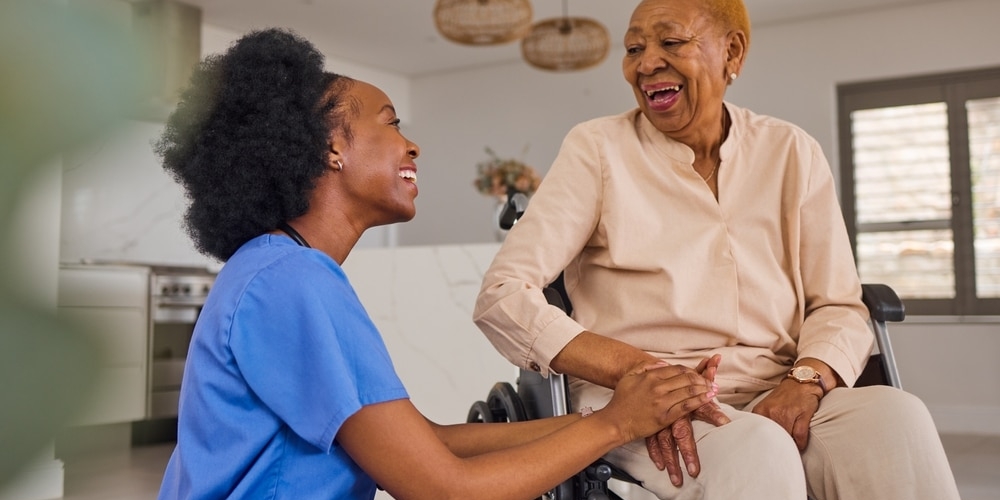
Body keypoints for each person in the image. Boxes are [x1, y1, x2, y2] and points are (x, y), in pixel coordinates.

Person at [153, 28, 719, 500]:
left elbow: (426, 439)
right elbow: (442, 487)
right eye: (391, 121)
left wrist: (603, 425)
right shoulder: (293, 282)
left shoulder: (281, 269)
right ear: (332, 146)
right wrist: (615, 423)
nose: (413, 146)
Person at [472, 1, 962, 499]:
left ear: (732, 52)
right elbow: (502, 295)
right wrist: (642, 376)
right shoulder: (597, 149)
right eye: (634, 49)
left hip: (779, 383)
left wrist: (807, 381)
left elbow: (837, 302)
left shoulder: (792, 151)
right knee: (758, 448)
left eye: (671, 41)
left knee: (897, 419)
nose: (645, 64)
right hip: (640, 398)